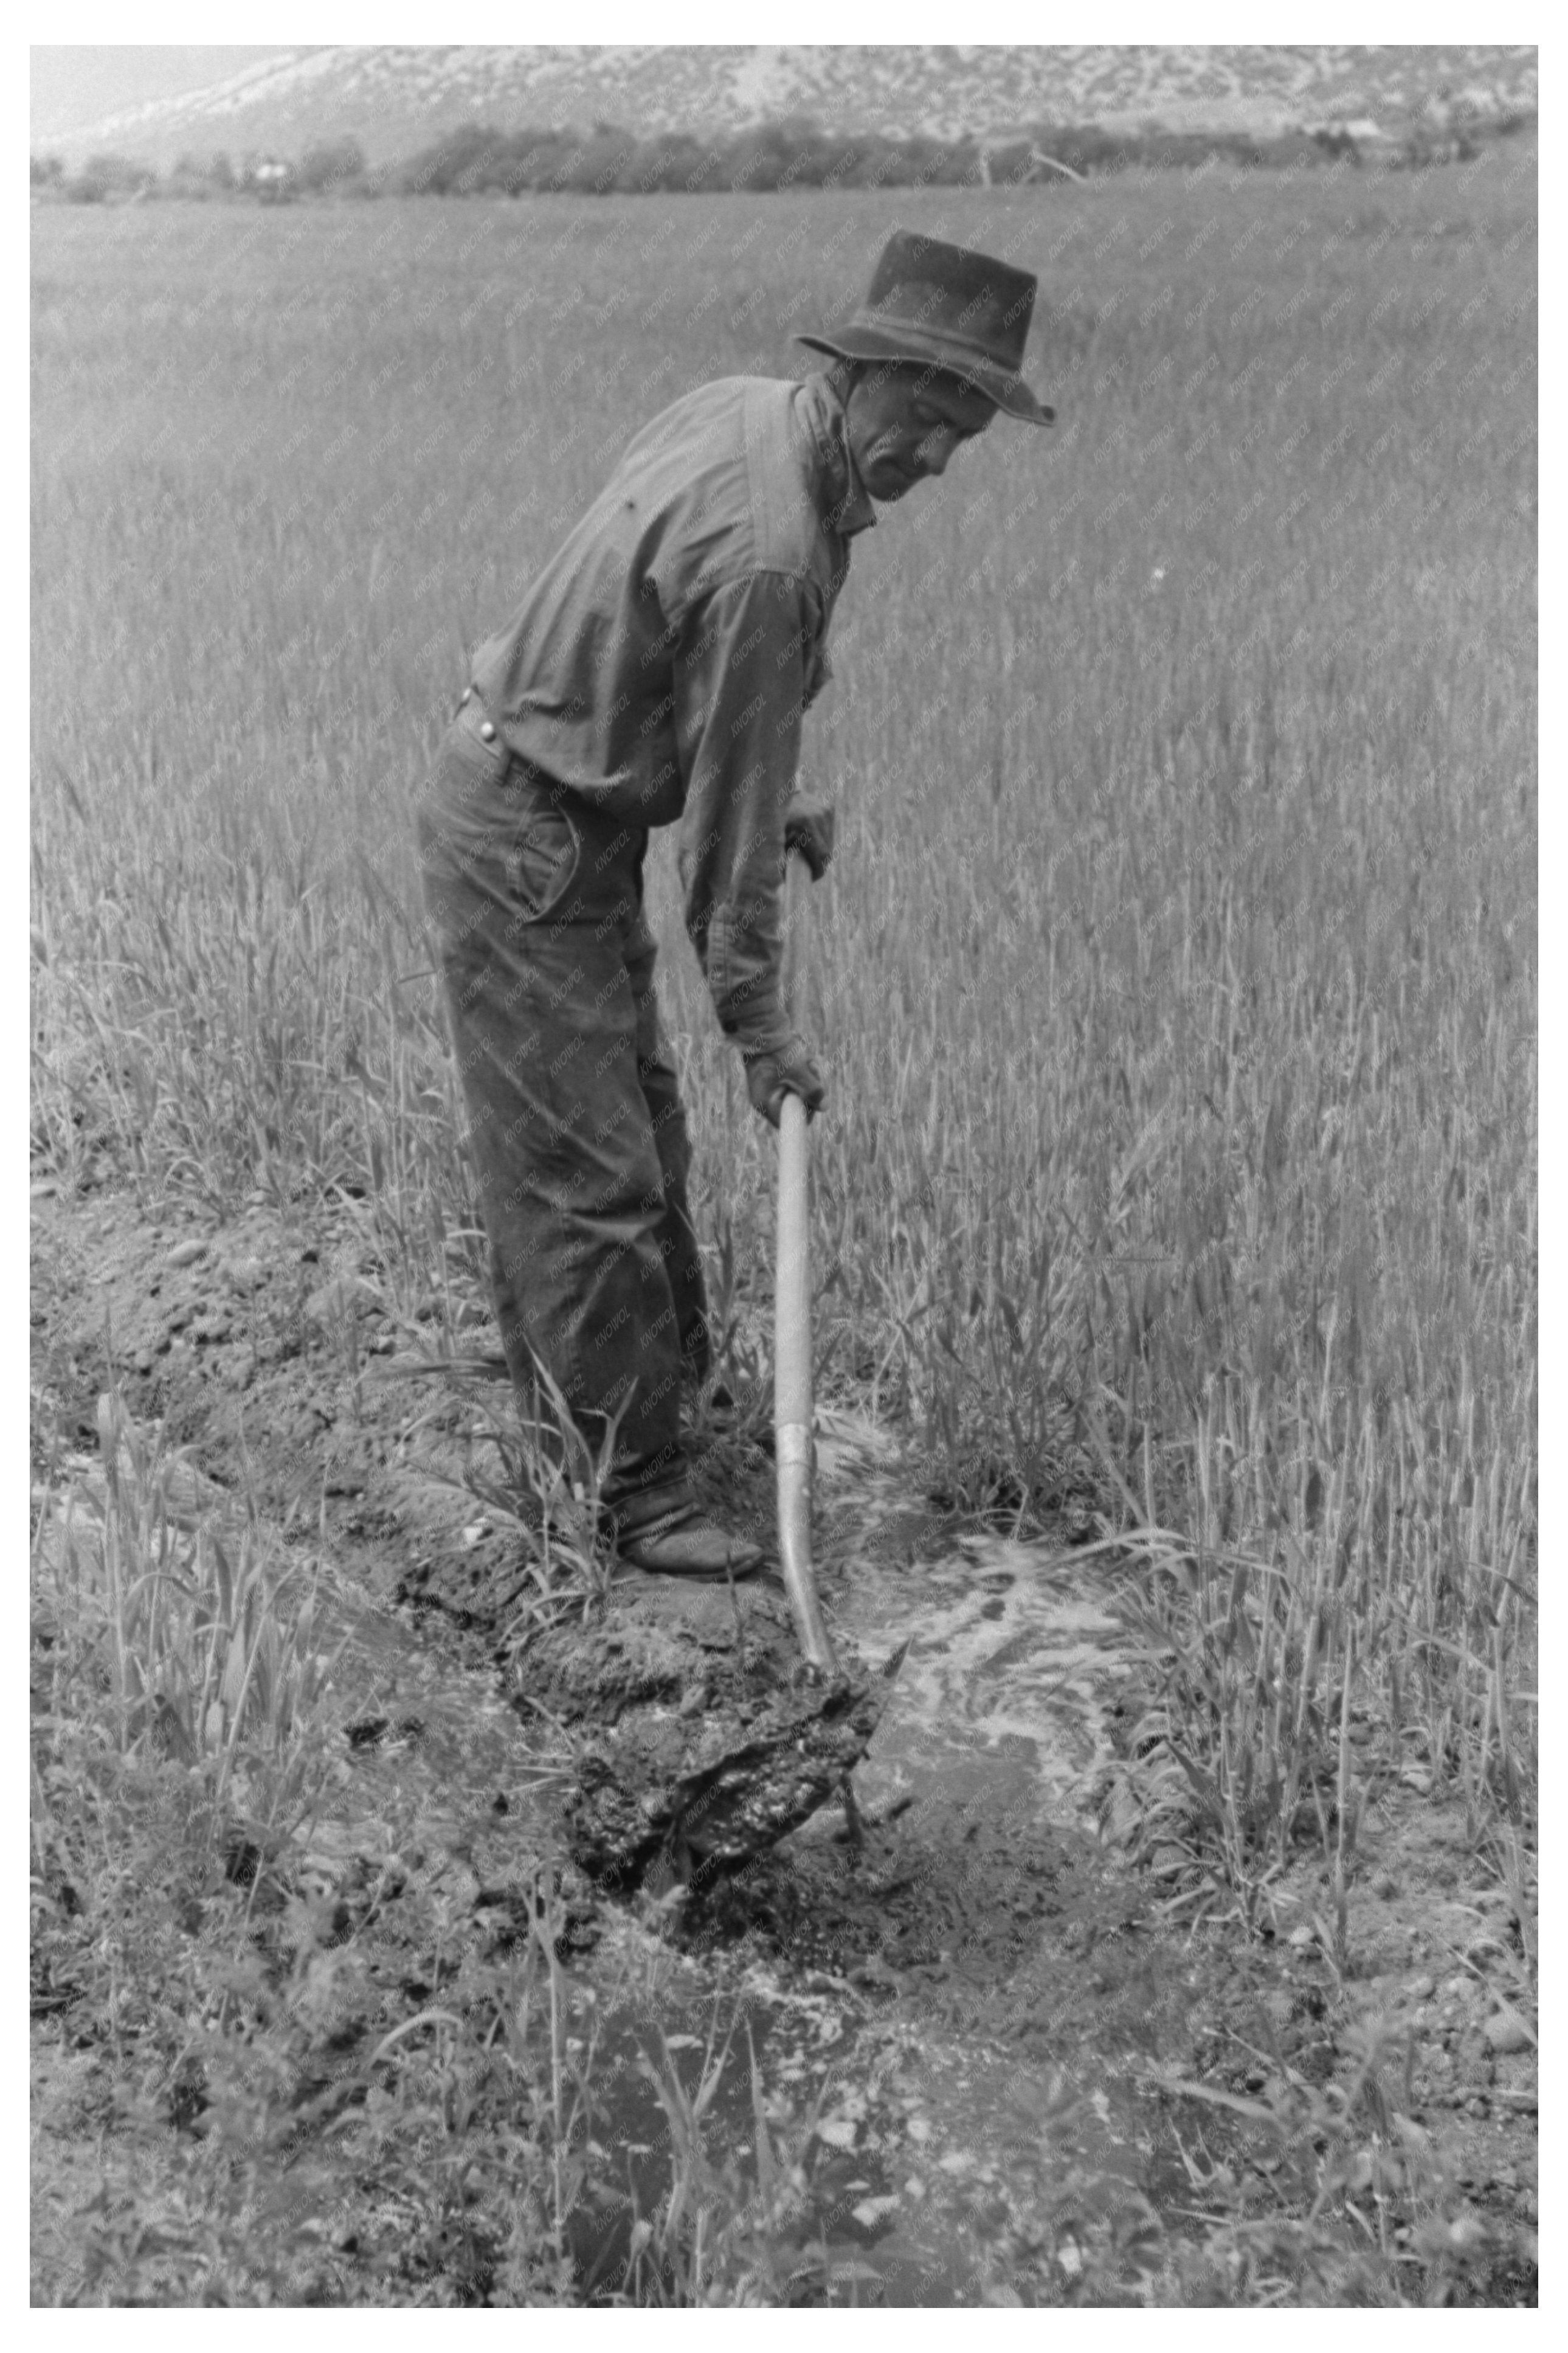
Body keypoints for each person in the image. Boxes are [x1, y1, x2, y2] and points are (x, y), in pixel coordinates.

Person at [418, 229, 1053, 1578]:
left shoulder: (746, 410)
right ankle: (625, 1497)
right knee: (587, 1177)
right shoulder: (778, 552)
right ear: (864, 372)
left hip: (552, 803)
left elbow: (662, 637)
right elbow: (722, 842)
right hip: (528, 828)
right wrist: (762, 1033)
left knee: (635, 1142)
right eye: (926, 415)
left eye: (965, 435)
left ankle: (645, 1427)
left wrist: (765, 781)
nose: (935, 456)